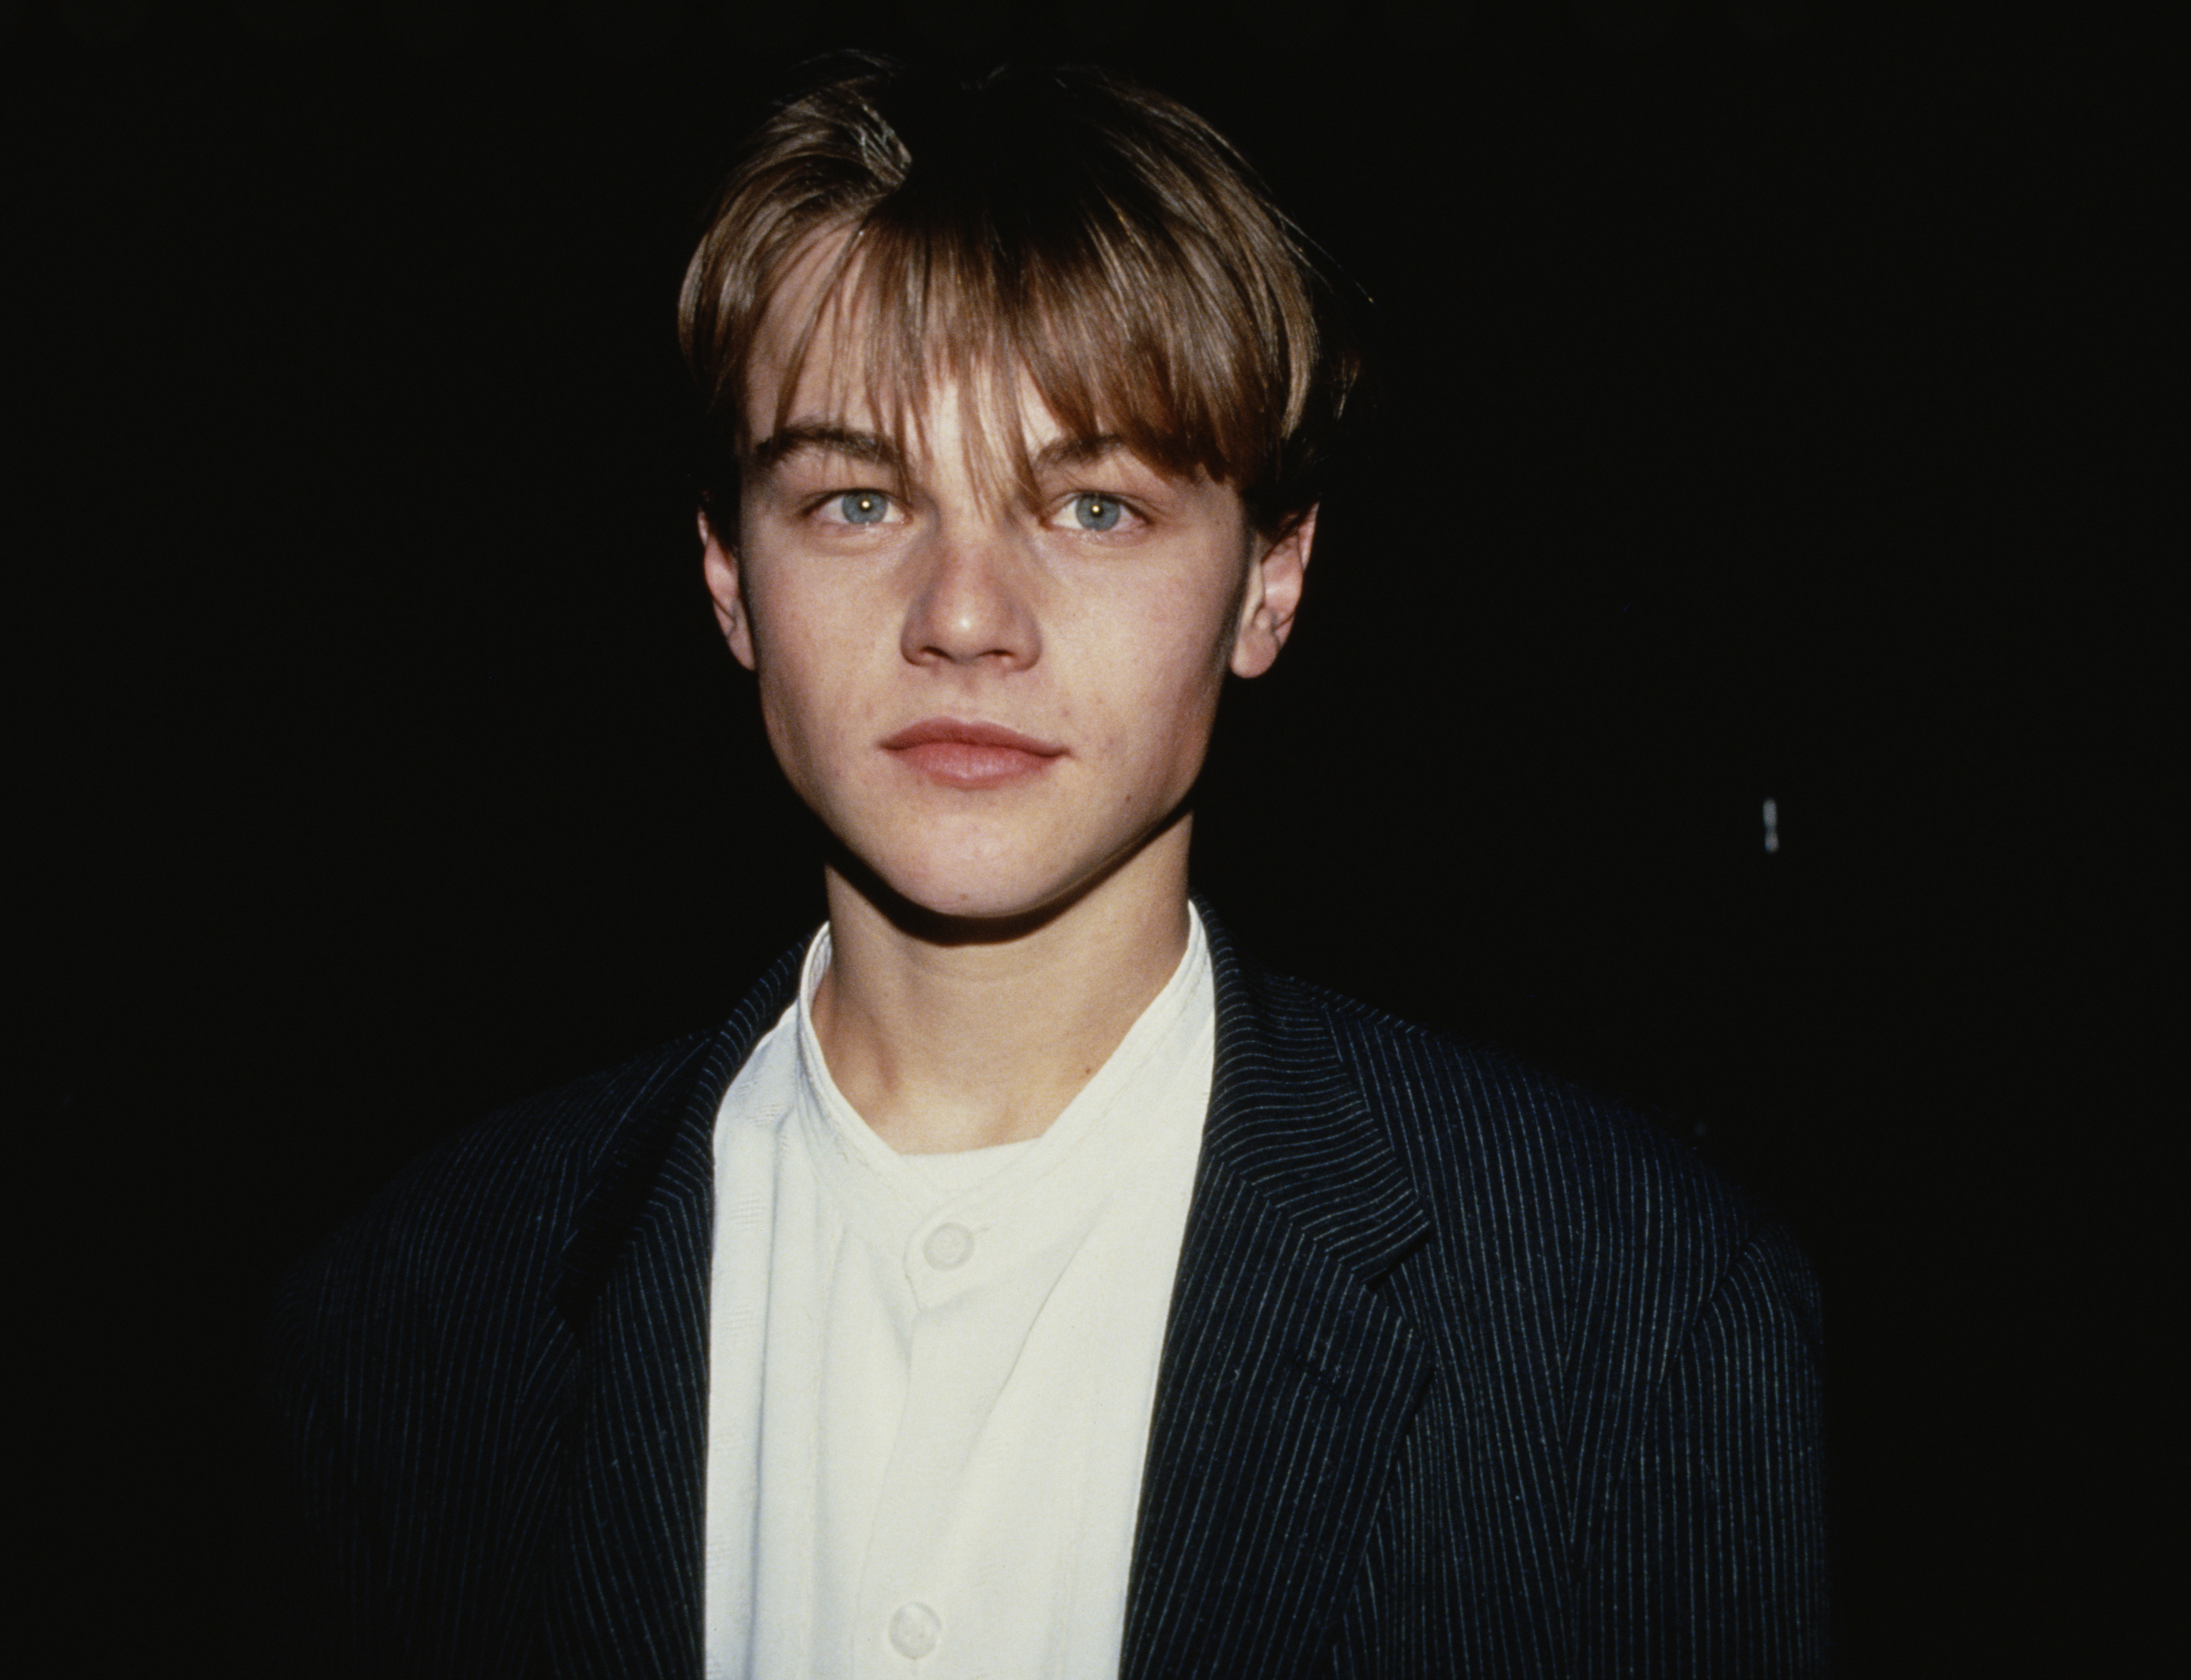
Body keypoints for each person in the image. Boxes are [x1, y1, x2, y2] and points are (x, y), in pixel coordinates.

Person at [249, 57, 1828, 1679]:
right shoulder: (412, 1319)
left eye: (1091, 507)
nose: (965, 616)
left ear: (1269, 581)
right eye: (858, 498)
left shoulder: (1631, 1313)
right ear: (727, 573)